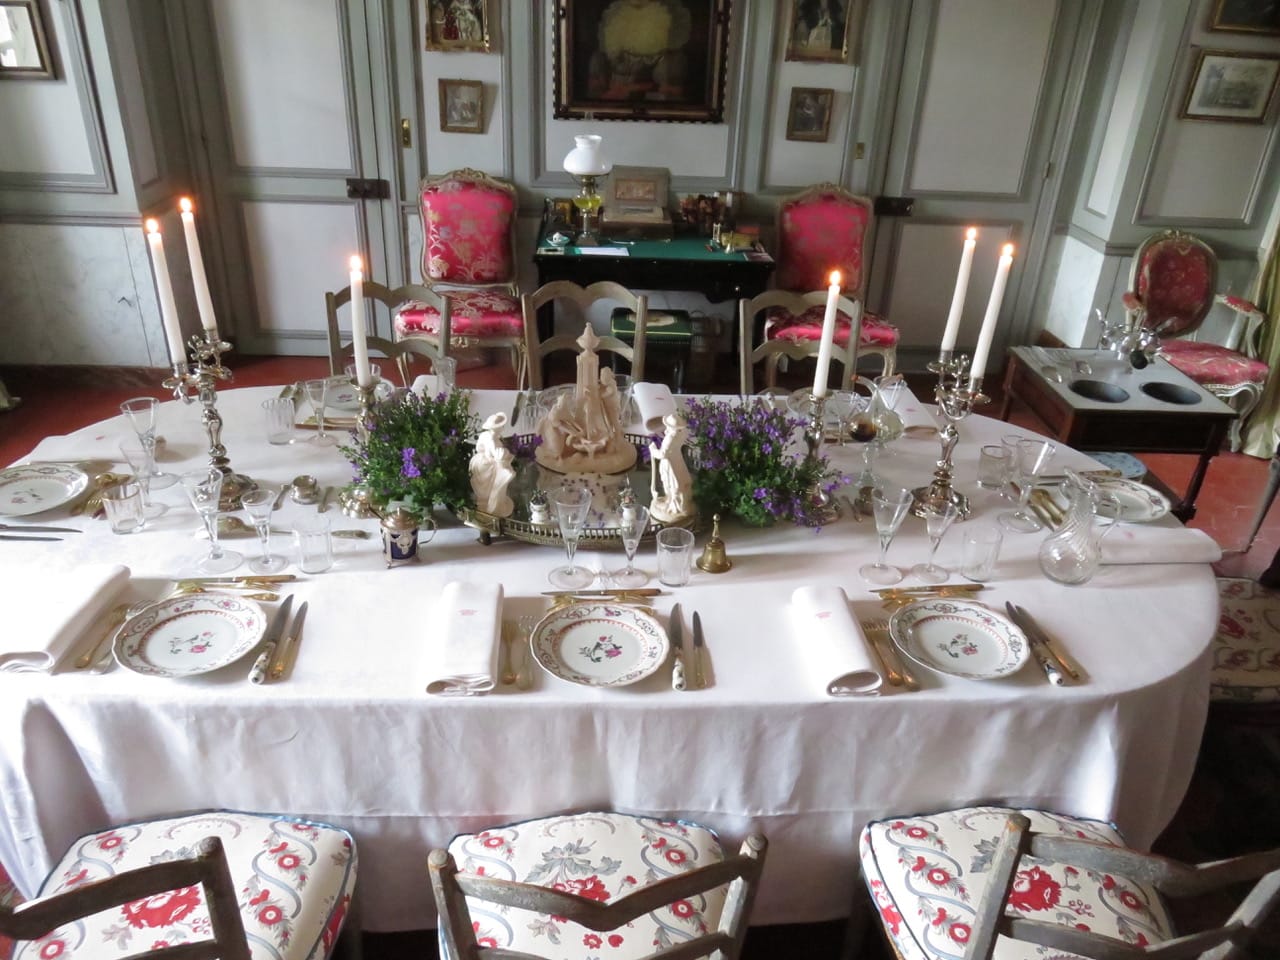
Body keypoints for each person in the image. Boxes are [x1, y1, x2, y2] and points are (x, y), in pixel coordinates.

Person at [648, 413, 691, 522]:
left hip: (669, 464)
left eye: (668, 425)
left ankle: (675, 505)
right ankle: (672, 501)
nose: (666, 427)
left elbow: (663, 454)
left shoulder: (670, 438)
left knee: (671, 484)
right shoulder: (680, 434)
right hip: (677, 460)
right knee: (678, 480)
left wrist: (653, 450)